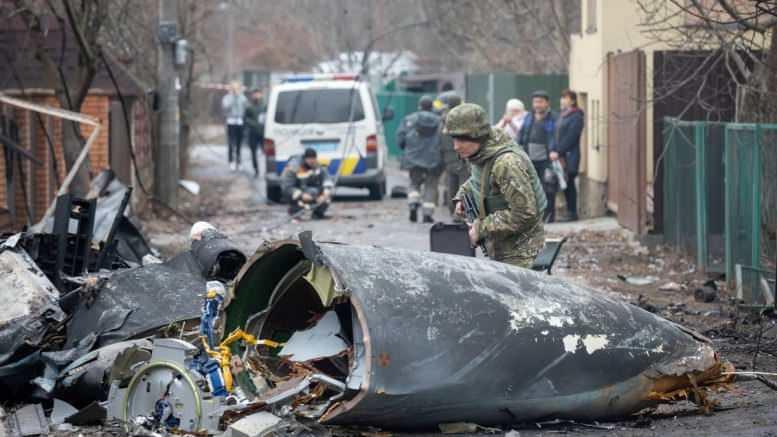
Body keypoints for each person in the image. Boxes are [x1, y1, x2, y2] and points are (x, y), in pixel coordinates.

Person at [447, 103, 546, 268]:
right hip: (501, 247)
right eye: (454, 139)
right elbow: (479, 180)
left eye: (462, 139)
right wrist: (462, 196)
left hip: (520, 253)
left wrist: (480, 229)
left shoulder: (507, 163)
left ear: (477, 136)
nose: (456, 146)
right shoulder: (481, 153)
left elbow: (524, 213)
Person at [396, 95, 443, 223]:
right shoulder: (439, 121)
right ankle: (427, 214)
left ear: (419, 106)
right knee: (431, 185)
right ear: (432, 107)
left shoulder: (409, 119)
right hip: (433, 159)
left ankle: (413, 202)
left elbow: (401, 138)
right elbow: (444, 140)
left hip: (413, 158)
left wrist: (406, 149)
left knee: (414, 183)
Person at [518, 90, 558, 222]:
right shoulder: (529, 116)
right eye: (535, 102)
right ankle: (535, 215)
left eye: (540, 102)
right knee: (531, 188)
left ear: (547, 103)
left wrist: (554, 150)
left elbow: (555, 136)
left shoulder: (553, 117)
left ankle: (549, 215)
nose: (537, 105)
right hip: (530, 158)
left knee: (548, 187)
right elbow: (521, 134)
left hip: (547, 159)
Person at [435, 91, 468, 220]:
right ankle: (460, 213)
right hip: (463, 156)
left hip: (448, 157)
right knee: (464, 186)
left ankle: (452, 210)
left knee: (451, 185)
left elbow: (439, 139)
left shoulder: (443, 120)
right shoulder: (463, 118)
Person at [554, 89, 584, 221]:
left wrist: (559, 151)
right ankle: (567, 211)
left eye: (565, 98)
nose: (562, 100)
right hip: (560, 155)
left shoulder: (576, 116)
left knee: (569, 183)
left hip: (570, 155)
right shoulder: (562, 115)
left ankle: (572, 213)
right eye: (561, 98)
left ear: (572, 101)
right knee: (564, 184)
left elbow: (571, 137)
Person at [281, 148, 333, 219]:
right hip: (298, 191)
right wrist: (301, 195)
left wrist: (325, 194)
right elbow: (287, 187)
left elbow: (326, 179)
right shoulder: (294, 167)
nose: (312, 161)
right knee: (297, 198)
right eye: (309, 159)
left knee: (326, 197)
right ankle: (294, 211)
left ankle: (317, 214)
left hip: (311, 191)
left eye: (313, 159)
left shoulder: (317, 166)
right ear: (305, 158)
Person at [221, 81, 248, 171]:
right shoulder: (227, 98)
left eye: (237, 88)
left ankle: (239, 162)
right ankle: (231, 161)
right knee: (231, 143)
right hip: (231, 121)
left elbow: (246, 108)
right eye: (234, 88)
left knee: (239, 143)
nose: (235, 90)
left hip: (240, 121)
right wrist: (233, 98)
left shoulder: (243, 97)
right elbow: (225, 107)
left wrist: (240, 96)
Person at [244, 88, 266, 178]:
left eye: (258, 94)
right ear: (252, 96)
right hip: (253, 133)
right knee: (253, 153)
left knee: (266, 153)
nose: (256, 96)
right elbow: (245, 119)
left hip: (263, 133)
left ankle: (266, 170)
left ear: (261, 95)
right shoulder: (249, 107)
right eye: (255, 94)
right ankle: (256, 170)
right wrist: (253, 124)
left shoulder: (265, 106)